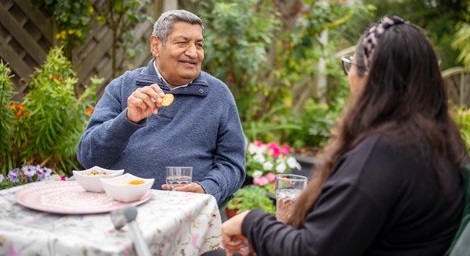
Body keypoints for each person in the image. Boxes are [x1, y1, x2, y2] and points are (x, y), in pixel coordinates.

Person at [221, 15, 468, 255]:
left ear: (369, 77)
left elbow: (310, 250)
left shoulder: (384, 153)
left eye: (350, 65)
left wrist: (251, 222)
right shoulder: (439, 143)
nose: (349, 75)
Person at [76, 9, 246, 206]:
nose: (193, 53)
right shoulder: (123, 87)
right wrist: (128, 120)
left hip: (186, 212)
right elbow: (88, 158)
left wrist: (208, 188)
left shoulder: (218, 95)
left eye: (198, 44)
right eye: (182, 43)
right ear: (156, 45)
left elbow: (233, 164)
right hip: (120, 207)